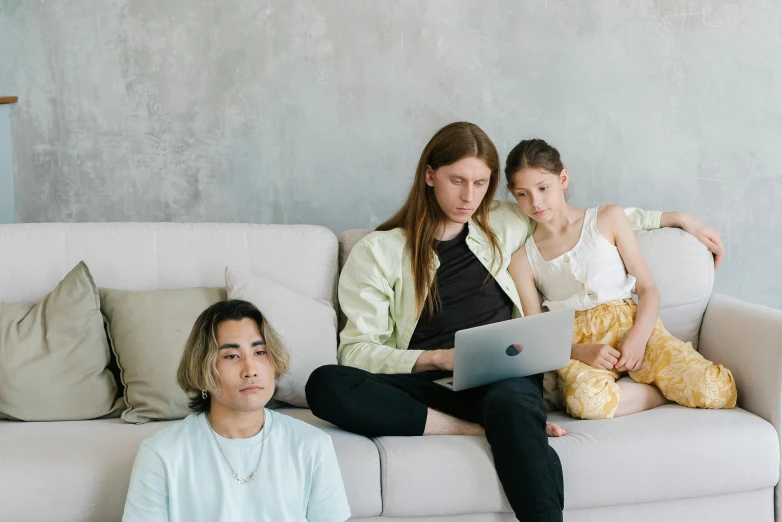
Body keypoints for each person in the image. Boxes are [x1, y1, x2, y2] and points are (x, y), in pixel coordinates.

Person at [305, 122, 726, 522]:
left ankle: (506, 432)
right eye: (457, 180)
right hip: (426, 386)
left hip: (502, 376)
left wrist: (673, 218)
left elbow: (577, 220)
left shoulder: (504, 220)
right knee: (326, 383)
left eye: (481, 183)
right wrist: (438, 359)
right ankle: (471, 427)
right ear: (430, 175)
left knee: (511, 407)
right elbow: (356, 351)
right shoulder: (378, 251)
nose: (469, 196)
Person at [505, 138, 737, 420]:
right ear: (512, 194)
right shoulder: (522, 260)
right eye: (523, 194)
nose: (536, 202)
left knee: (716, 390)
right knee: (586, 404)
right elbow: (537, 332)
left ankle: (655, 380)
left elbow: (648, 289)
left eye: (543, 188)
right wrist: (580, 350)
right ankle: (658, 393)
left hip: (633, 326)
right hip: (578, 346)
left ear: (562, 178)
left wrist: (638, 337)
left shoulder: (607, 218)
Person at [123, 299, 351, 522]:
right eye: (232, 356)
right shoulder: (161, 454)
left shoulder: (312, 445)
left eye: (260, 352)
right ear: (203, 367)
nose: (250, 369)